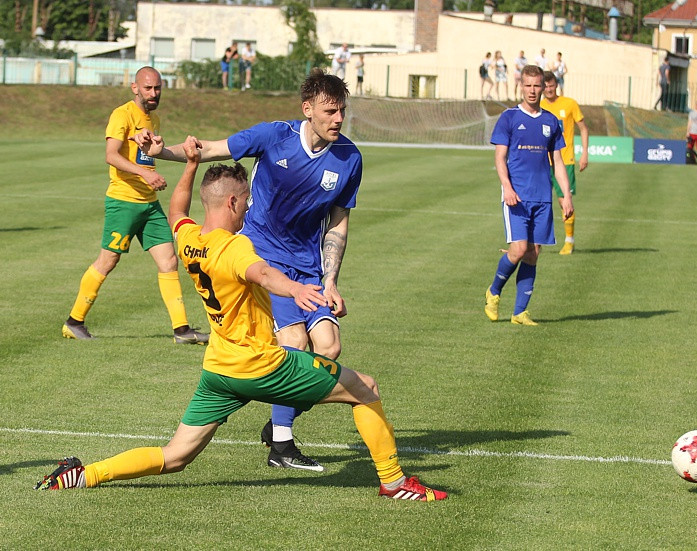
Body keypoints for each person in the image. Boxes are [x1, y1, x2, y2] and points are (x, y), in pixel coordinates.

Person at [34, 137, 447, 502]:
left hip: (220, 369)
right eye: (246, 199)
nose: (249, 205)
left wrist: (190, 166)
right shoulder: (234, 248)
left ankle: (83, 475)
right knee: (365, 387)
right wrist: (299, 289)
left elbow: (177, 209)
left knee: (175, 456)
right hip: (260, 365)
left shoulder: (189, 238)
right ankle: (394, 482)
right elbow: (263, 274)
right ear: (232, 203)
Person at [134, 69, 361, 472]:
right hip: (262, 261)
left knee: (329, 347)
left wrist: (330, 280)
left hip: (308, 266)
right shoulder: (273, 136)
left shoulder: (349, 158)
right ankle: (282, 444)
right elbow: (209, 149)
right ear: (307, 109)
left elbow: (338, 223)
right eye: (330, 111)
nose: (338, 119)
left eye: (342, 110)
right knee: (294, 339)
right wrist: (160, 151)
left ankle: (278, 422)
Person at [61, 66, 208, 345]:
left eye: (158, 88)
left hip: (149, 204)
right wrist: (145, 174)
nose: (153, 93)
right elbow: (111, 155)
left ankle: (181, 330)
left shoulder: (154, 119)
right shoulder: (122, 114)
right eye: (148, 88)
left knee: (169, 261)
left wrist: (158, 155)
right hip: (124, 201)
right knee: (108, 260)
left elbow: (146, 154)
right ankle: (74, 322)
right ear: (135, 87)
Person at [483, 65, 573, 326]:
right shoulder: (509, 118)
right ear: (521, 86)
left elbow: (558, 162)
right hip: (517, 197)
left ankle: (519, 313)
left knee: (533, 254)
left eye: (537, 86)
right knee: (519, 250)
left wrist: (566, 195)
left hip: (542, 197)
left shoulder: (551, 121)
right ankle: (494, 291)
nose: (533, 90)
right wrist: (507, 187)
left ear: (544, 87)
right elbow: (500, 157)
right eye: (528, 85)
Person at [541, 71, 588, 255]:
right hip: (541, 161)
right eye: (546, 86)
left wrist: (584, 153)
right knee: (539, 202)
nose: (549, 89)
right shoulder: (539, 106)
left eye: (552, 86)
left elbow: (583, 128)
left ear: (557, 85)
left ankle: (569, 240)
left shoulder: (569, 104)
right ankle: (537, 241)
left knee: (564, 201)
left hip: (565, 159)